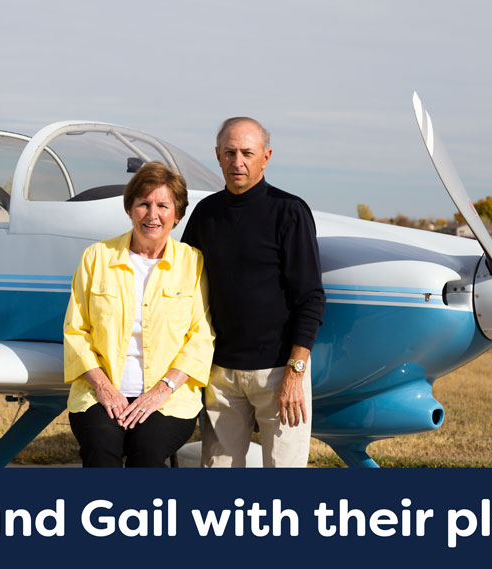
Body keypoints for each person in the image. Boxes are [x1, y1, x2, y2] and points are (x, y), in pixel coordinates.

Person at [182, 117, 325, 467]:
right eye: (230, 153)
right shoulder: (205, 214)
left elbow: (310, 298)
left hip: (279, 371)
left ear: (266, 157)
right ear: (218, 155)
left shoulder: (290, 211)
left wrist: (295, 372)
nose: (238, 162)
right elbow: (182, 287)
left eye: (247, 153)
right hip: (220, 373)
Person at [63, 161, 215, 467]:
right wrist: (105, 388)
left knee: (147, 451)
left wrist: (160, 391)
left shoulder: (193, 263)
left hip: (168, 398)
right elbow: (76, 331)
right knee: (100, 449)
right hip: (99, 392)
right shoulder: (97, 257)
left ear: (177, 214)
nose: (152, 214)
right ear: (130, 208)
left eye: (163, 206)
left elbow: (200, 338)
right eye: (143, 204)